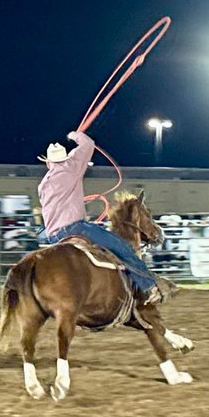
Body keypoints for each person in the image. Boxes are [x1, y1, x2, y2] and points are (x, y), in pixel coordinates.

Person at [38, 130, 172, 304]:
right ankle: (149, 287)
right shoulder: (71, 168)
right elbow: (88, 144)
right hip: (74, 228)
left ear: (48, 162)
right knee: (122, 247)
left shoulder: (44, 184)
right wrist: (74, 135)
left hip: (51, 234)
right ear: (64, 159)